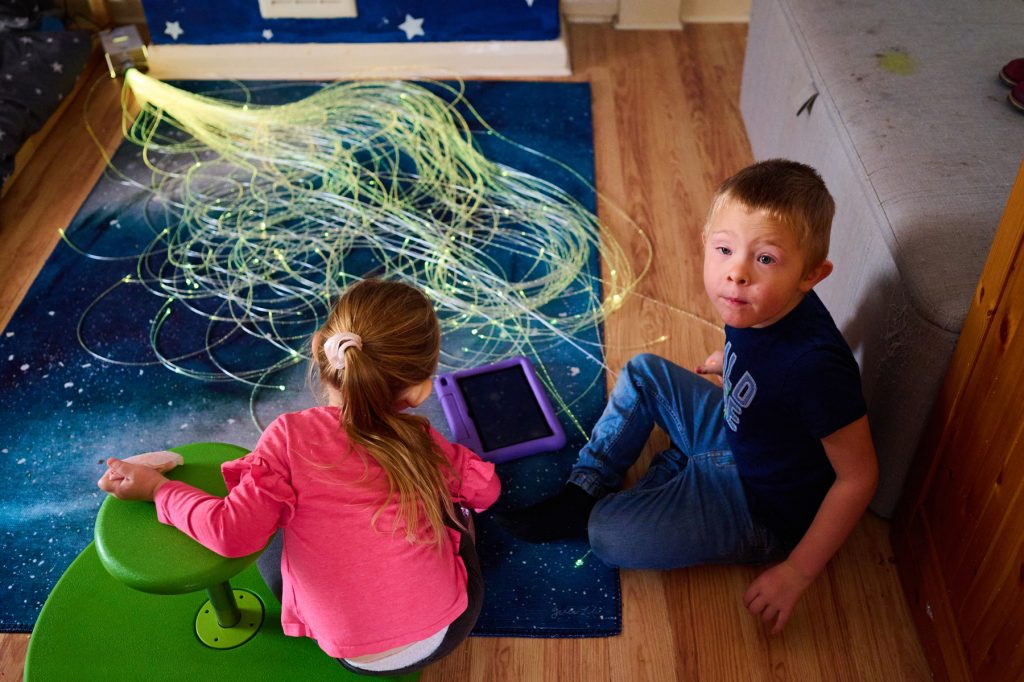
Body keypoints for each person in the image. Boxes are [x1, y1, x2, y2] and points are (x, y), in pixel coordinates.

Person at [498, 159, 878, 633]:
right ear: (706, 244)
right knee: (641, 372)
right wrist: (731, 358)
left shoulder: (816, 369)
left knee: (608, 535)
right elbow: (764, 348)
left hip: (759, 507)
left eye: (765, 259)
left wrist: (797, 572)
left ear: (810, 276)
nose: (736, 273)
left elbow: (858, 478)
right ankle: (586, 487)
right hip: (739, 433)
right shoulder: (756, 304)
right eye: (724, 250)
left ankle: (670, 472)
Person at [98, 279, 501, 675]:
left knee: (274, 531)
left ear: (317, 348)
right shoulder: (424, 441)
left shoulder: (288, 437)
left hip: (353, 654)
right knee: (454, 511)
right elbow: (486, 492)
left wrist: (159, 490)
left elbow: (231, 534)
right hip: (449, 627)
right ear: (419, 393)